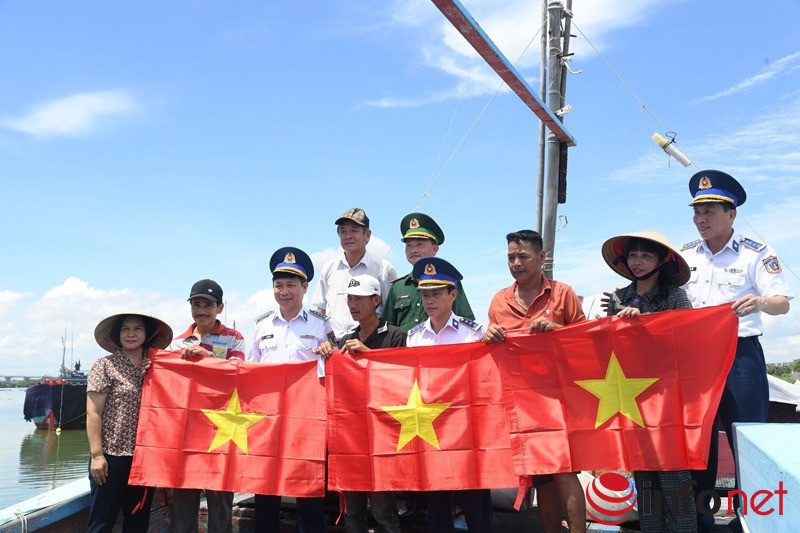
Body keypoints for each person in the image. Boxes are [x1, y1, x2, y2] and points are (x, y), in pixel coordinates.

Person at [681, 170, 792, 533]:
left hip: (740, 357)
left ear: (731, 215)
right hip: (695, 360)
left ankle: (750, 520)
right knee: (699, 441)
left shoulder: (756, 253)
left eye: (709, 211)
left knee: (747, 439)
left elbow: (781, 303)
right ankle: (700, 519)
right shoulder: (683, 256)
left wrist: (760, 302)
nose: (701, 219)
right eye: (697, 212)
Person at [482, 229, 586, 533]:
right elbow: (490, 353)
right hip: (521, 403)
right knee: (542, 477)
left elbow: (586, 341)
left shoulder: (563, 294)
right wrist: (488, 336)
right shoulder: (498, 301)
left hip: (560, 399)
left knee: (565, 472)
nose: (516, 263)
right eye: (511, 257)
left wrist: (557, 331)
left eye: (523, 256)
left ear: (541, 257)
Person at [602, 231, 696, 533]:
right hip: (632, 395)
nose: (638, 262)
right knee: (644, 476)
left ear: (661, 261)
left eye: (646, 255)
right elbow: (607, 346)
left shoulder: (674, 296)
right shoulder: (618, 298)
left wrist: (645, 320)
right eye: (633, 255)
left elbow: (687, 339)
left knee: (673, 473)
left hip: (667, 395)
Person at [404, 257, 491, 533]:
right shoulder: (414, 337)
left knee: (474, 495)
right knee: (437, 497)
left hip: (466, 424)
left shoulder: (473, 333)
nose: (429, 300)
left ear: (453, 295)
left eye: (436, 294)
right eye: (425, 295)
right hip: (432, 423)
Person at [247, 247, 331, 533]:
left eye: (291, 285)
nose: (284, 292)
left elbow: (332, 369)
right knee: (266, 487)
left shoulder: (321, 325)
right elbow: (251, 370)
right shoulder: (262, 326)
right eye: (279, 285)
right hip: (268, 419)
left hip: (306, 420)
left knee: (307, 487)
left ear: (304, 287)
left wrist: (329, 352)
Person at [316, 274, 405, 533]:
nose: (353, 305)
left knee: (383, 510)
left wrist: (370, 357)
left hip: (382, 436)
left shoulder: (395, 335)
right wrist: (326, 353)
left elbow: (401, 380)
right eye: (350, 299)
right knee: (352, 510)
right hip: (352, 437)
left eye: (359, 299)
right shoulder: (345, 340)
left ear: (376, 300)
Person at [170, 279, 246, 533]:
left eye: (208, 305)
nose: (201, 310)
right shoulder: (177, 343)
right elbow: (168, 381)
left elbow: (240, 373)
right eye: (196, 304)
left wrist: (209, 358)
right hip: (187, 431)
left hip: (221, 429)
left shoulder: (234, 338)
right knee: (184, 499)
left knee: (220, 499)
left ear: (220, 308)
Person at [87, 311, 173, 533]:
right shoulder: (105, 365)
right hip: (111, 457)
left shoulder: (157, 367)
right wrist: (97, 456)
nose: (131, 334)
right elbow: (93, 412)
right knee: (102, 522)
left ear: (147, 334)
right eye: (125, 329)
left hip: (144, 458)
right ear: (118, 334)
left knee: (137, 520)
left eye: (137, 328)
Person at [311, 208, 397, 340]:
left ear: (367, 235)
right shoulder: (329, 268)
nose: (348, 236)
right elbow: (320, 309)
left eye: (354, 230)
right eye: (343, 231)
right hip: (334, 345)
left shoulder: (384, 269)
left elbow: (390, 311)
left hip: (371, 343)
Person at [382, 212, 474, 331]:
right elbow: (387, 328)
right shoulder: (398, 287)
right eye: (409, 245)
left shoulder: (449, 282)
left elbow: (465, 323)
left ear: (435, 249)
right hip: (404, 343)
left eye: (419, 244)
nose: (413, 250)